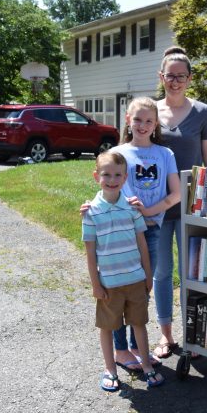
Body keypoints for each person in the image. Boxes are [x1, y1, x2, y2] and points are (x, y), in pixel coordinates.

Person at [99, 96, 181, 372]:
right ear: (128, 120)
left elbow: (177, 193)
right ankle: (121, 350)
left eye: (149, 121)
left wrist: (151, 211)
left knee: (143, 289)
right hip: (122, 232)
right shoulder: (120, 152)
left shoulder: (164, 154)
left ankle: (137, 345)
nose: (143, 125)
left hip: (153, 230)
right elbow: (109, 188)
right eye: (138, 120)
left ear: (156, 123)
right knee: (119, 288)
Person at [152, 46, 207, 360]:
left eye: (181, 76)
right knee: (163, 272)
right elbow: (133, 155)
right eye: (170, 76)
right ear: (161, 77)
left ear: (189, 79)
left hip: (192, 207)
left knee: (194, 275)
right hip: (159, 207)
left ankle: (194, 336)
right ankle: (167, 337)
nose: (175, 81)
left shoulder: (202, 112)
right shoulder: (150, 112)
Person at [82, 151, 163, 391]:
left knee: (139, 323)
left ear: (125, 177)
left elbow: (142, 246)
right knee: (108, 326)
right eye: (106, 174)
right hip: (108, 284)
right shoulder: (90, 213)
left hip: (136, 279)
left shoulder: (131, 208)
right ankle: (110, 369)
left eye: (118, 174)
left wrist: (148, 277)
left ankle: (146, 366)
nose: (112, 179)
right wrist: (95, 284)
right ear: (97, 176)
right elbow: (90, 252)